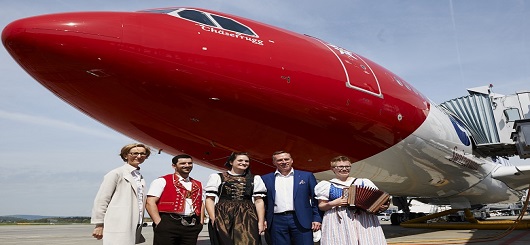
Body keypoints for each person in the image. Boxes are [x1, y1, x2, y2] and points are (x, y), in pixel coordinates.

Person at [314, 156, 388, 245]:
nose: (344, 169)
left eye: (347, 166)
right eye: (340, 167)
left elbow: (377, 200)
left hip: (363, 219)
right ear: (333, 169)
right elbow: (321, 206)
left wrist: (382, 206)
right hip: (338, 220)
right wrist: (335, 203)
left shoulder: (363, 182)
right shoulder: (326, 185)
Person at [91, 143, 151, 245]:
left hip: (135, 222)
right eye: (135, 153)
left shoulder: (138, 176)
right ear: (125, 155)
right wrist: (99, 224)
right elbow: (102, 199)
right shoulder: (116, 173)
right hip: (118, 222)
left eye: (143, 154)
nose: (139, 156)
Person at [204, 152, 267, 245]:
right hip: (223, 214)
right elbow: (209, 199)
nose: (244, 163)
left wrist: (261, 222)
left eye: (246, 161)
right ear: (231, 162)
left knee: (249, 241)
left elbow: (259, 201)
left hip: (247, 214)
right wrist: (213, 218)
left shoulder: (255, 179)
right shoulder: (218, 177)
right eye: (240, 160)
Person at [260, 151, 322, 245]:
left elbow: (316, 198)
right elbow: (262, 202)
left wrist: (317, 218)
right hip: (277, 221)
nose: (284, 162)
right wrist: (263, 219)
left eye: (286, 159)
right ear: (274, 162)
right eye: (280, 160)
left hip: (301, 219)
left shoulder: (307, 176)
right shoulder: (265, 179)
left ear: (291, 160)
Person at [145, 154, 204, 245]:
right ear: (174, 166)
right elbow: (150, 202)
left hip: (191, 224)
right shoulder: (162, 181)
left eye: (190, 163)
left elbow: (201, 203)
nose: (187, 165)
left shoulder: (198, 184)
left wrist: (201, 222)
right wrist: (159, 223)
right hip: (168, 222)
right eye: (183, 163)